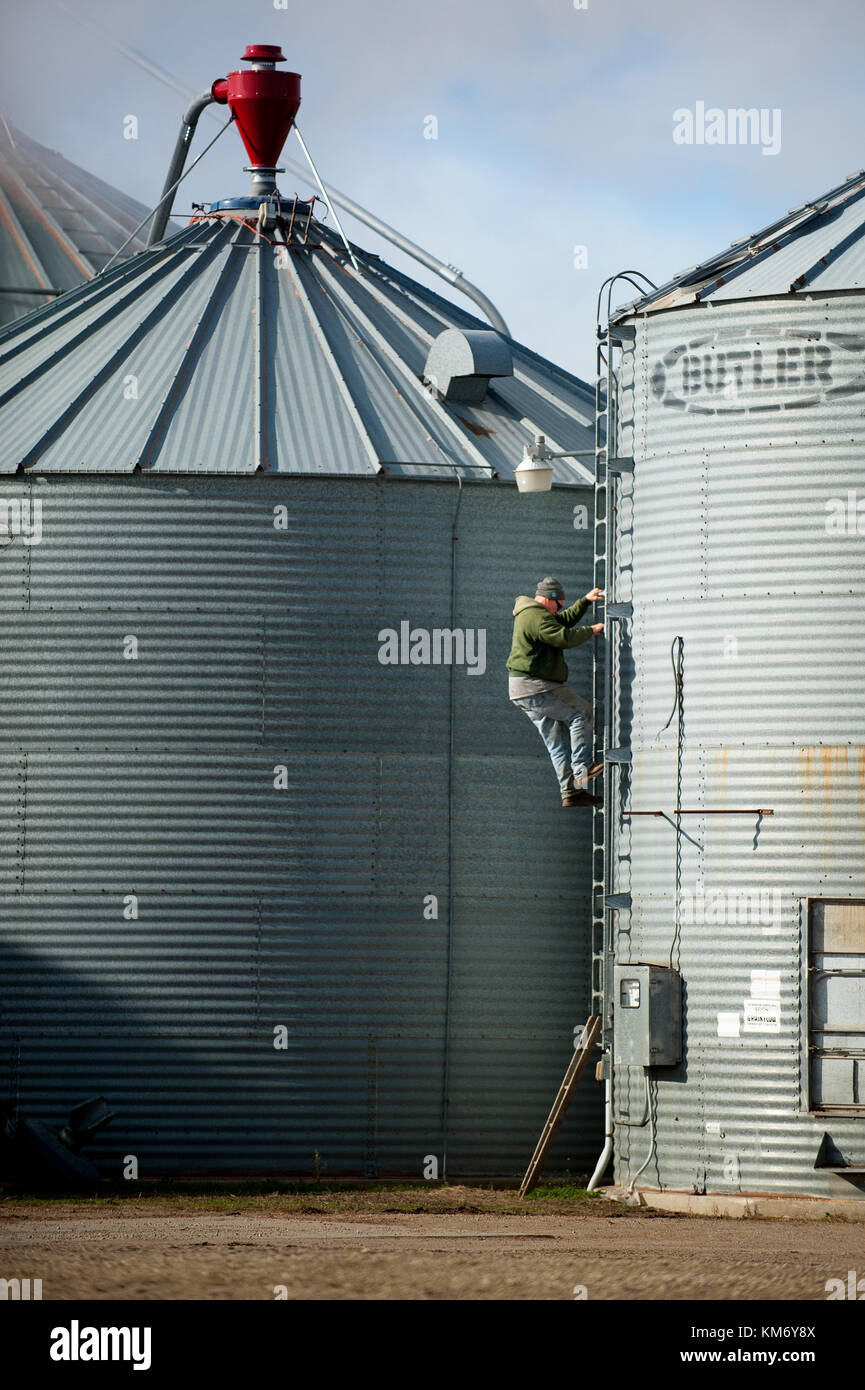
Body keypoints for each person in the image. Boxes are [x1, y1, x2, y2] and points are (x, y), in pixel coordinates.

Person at [506, 577, 605, 807]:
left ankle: (572, 791)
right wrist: (591, 630)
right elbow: (562, 636)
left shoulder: (536, 614)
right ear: (548, 599)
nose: (559, 609)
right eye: (558, 604)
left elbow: (561, 623)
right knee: (581, 713)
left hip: (522, 689)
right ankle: (584, 768)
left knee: (556, 744)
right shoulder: (534, 616)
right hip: (535, 686)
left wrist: (585, 601)